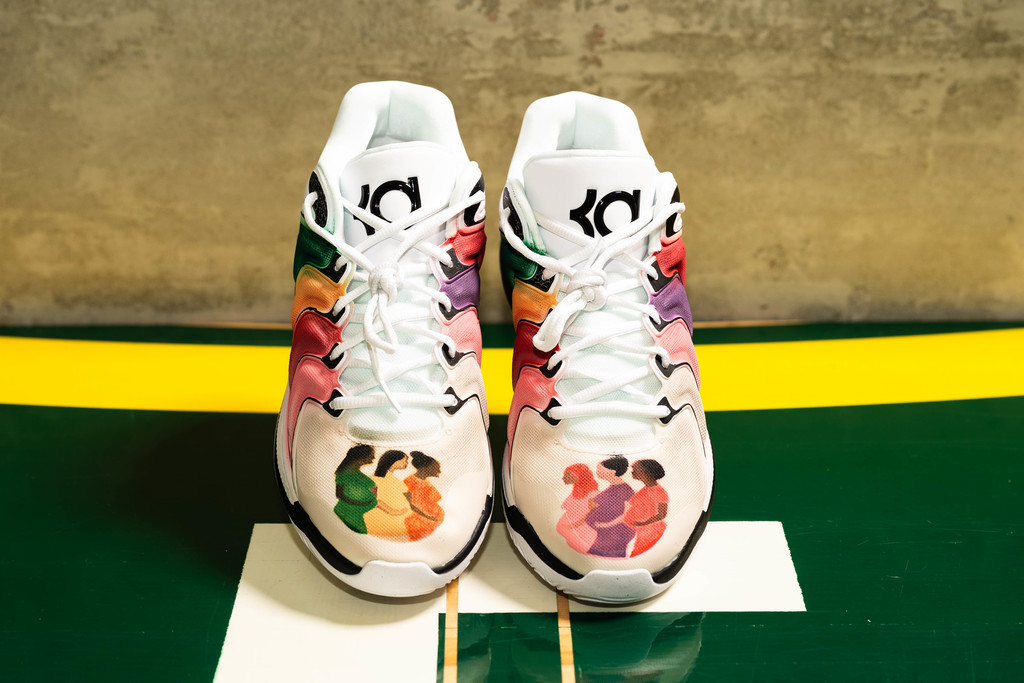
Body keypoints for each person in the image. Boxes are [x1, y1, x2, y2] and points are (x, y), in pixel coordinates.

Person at [585, 456, 636, 558]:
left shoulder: (625, 490)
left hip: (616, 534)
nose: (597, 472)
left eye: (600, 469)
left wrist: (606, 525)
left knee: (607, 556)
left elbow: (627, 514)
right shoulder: (612, 487)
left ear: (612, 471)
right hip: (605, 534)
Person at [625, 459, 669, 557]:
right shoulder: (644, 489)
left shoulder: (659, 491)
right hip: (641, 532)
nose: (632, 472)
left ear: (647, 473)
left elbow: (662, 514)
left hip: (651, 532)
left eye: (635, 469)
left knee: (639, 555)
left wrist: (643, 523)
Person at [363, 450, 412, 539]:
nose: (407, 463)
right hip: (383, 521)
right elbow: (373, 501)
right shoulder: (376, 478)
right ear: (395, 461)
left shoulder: (390, 477)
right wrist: (394, 511)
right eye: (405, 460)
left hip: (397, 522)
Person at [333, 444, 378, 534]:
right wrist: (359, 503)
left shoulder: (353, 474)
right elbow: (339, 494)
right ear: (361, 457)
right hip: (349, 514)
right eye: (371, 455)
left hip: (356, 515)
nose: (374, 458)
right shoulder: (345, 474)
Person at [557, 464, 599, 553]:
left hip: (584, 533)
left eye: (567, 475)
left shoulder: (593, 495)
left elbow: (590, 515)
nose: (563, 478)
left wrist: (571, 526)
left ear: (579, 476)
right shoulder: (576, 492)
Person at [403, 451, 445, 541]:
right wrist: (428, 517)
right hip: (418, 523)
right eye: (436, 467)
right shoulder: (409, 482)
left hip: (432, 523)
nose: (439, 471)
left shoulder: (425, 482)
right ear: (426, 468)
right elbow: (410, 505)